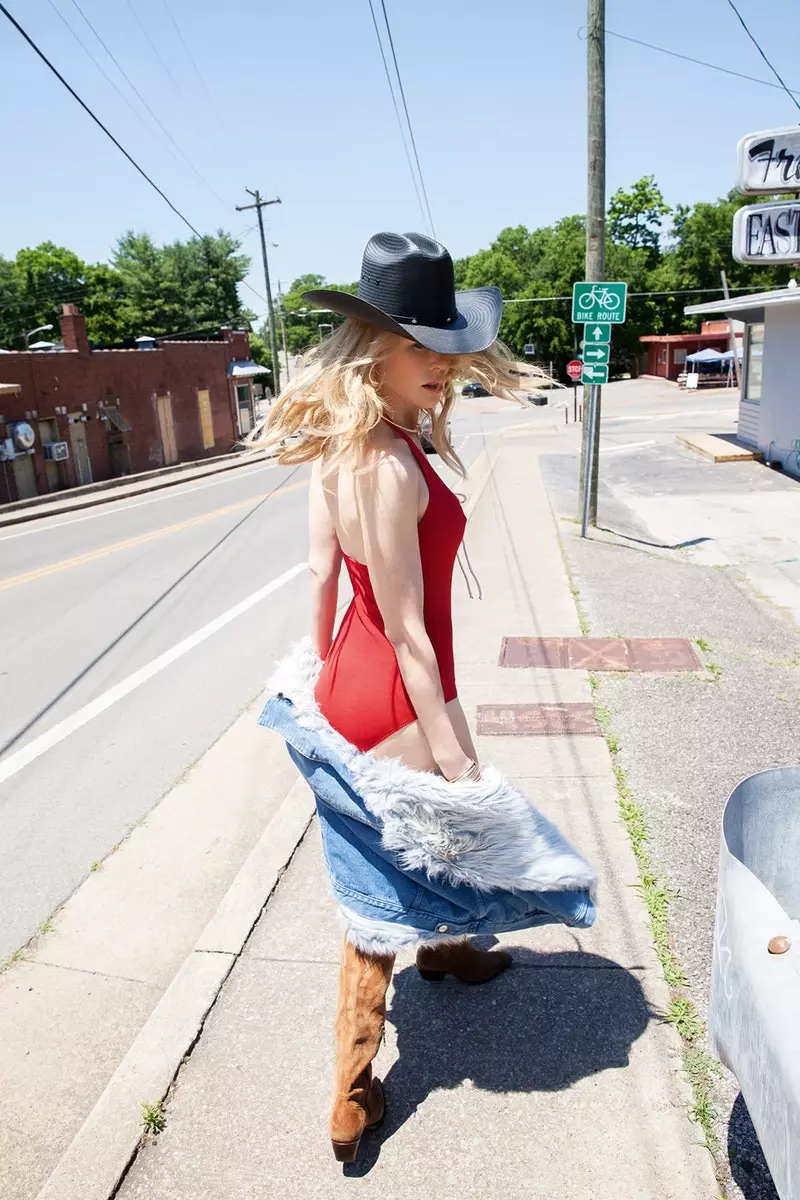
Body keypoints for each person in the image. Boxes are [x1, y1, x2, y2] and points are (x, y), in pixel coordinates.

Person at [257, 232, 596, 1163]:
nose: (444, 365)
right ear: (374, 348)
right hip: (401, 689)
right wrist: (455, 758)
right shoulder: (393, 464)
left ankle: (445, 954)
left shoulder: (346, 442)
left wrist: (321, 680)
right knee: (382, 891)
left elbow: (321, 574)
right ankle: (351, 1092)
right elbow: (408, 634)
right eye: (423, 348)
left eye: (451, 347)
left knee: (411, 850)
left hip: (350, 680)